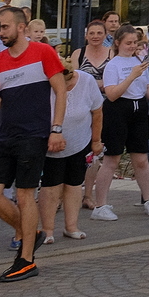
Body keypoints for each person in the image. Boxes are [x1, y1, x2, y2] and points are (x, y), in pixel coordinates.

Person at [0, 4, 72, 284]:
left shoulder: (43, 52)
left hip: (34, 134)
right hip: (5, 135)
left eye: (4, 26)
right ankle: (31, 233)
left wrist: (56, 129)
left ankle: (26, 260)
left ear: (21, 27)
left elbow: (60, 90)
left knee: (25, 195)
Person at [97, 27, 149, 221]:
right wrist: (131, 76)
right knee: (112, 159)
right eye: (128, 43)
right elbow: (111, 94)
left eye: (135, 43)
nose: (132, 46)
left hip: (138, 109)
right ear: (118, 43)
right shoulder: (113, 65)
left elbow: (146, 87)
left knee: (141, 159)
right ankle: (100, 204)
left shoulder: (138, 62)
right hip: (118, 110)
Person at [35, 64, 102, 246]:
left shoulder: (87, 81)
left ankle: (71, 226)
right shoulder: (43, 84)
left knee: (74, 183)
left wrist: (96, 140)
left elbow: (97, 113)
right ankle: (47, 230)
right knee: (51, 185)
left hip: (80, 141)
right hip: (50, 143)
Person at [69, 20, 113, 213]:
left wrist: (93, 83)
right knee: (76, 150)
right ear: (86, 35)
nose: (95, 36)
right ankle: (69, 194)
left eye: (99, 33)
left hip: (105, 107)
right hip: (81, 108)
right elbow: (70, 78)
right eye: (92, 33)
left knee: (95, 152)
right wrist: (99, 83)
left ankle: (88, 195)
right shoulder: (78, 54)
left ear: (105, 35)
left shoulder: (112, 53)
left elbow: (115, 78)